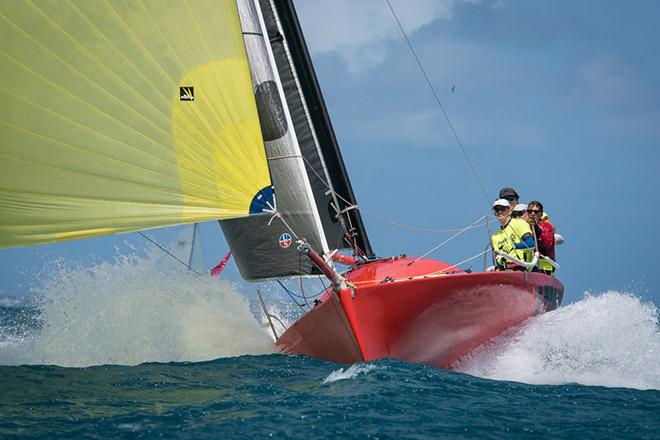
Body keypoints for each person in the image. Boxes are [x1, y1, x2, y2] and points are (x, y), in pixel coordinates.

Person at [491, 199, 535, 271]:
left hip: (522, 269)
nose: (499, 212)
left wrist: (514, 246)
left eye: (502, 209)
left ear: (509, 211)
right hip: (506, 271)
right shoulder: (495, 237)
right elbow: (497, 259)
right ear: (494, 213)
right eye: (496, 210)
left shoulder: (520, 224)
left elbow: (531, 244)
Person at [526, 200, 556, 275]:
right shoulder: (524, 226)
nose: (532, 214)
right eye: (530, 211)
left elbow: (546, 245)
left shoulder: (547, 226)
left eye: (536, 212)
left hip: (544, 266)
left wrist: (536, 229)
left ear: (541, 214)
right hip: (529, 265)